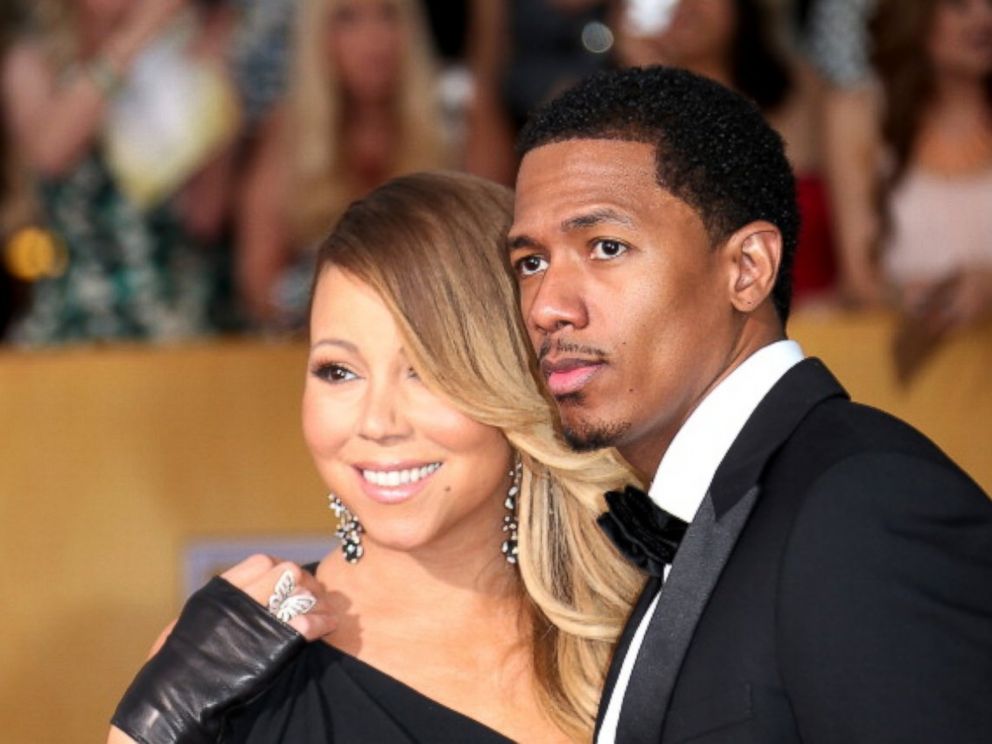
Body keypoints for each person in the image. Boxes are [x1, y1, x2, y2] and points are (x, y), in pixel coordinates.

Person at [508, 65, 992, 743]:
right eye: (530, 262)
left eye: (606, 247)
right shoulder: (718, 517)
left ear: (748, 269)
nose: (547, 306)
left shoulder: (865, 506)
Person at [108, 171, 644, 743]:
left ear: (513, 379)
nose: (377, 423)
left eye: (425, 371)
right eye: (339, 372)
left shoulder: (630, 630)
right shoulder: (226, 659)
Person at [1, 0, 238, 344]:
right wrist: (141, 32)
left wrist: (215, 91)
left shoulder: (178, 57)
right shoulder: (35, 60)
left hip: (174, 321)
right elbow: (49, 154)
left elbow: (205, 216)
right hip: (74, 321)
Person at [236, 0, 448, 326]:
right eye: (348, 19)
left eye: (388, 14)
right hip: (314, 350)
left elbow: (484, 267)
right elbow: (259, 288)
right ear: (317, 37)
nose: (374, 37)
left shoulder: (455, 122)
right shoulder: (287, 136)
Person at [613, 0, 837, 303]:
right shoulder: (611, 122)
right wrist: (643, 79)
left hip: (821, 323)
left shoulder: (809, 95)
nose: (683, 6)